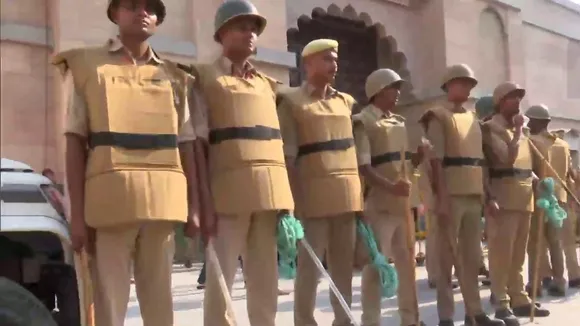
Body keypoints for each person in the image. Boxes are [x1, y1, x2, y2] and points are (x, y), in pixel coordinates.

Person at [52, 1, 201, 325]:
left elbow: (186, 143)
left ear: (159, 20)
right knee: (108, 305)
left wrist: (194, 206)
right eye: (131, 5)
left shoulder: (175, 77)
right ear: (115, 14)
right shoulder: (89, 66)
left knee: (160, 306)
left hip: (161, 204)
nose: (141, 12)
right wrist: (76, 216)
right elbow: (74, 143)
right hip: (110, 205)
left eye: (150, 7)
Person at [184, 1, 295, 325]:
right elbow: (197, 143)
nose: (249, 34)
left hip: (268, 198)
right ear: (221, 33)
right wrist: (202, 200)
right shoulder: (203, 78)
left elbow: (275, 144)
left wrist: (285, 202)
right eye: (241, 26)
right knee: (220, 286)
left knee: (265, 285)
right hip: (226, 197)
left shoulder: (267, 85)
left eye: (253, 28)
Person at [277, 38, 362, 326]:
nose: (334, 65)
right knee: (310, 270)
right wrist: (294, 203)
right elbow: (288, 157)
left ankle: (344, 320)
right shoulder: (292, 102)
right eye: (327, 59)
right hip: (312, 201)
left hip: (346, 199)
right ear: (308, 63)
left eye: (335, 59)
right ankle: (304, 321)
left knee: (343, 270)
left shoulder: (345, 102)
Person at [420, 64, 504, 326]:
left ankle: (474, 312)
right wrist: (442, 200)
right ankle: (446, 316)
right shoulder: (438, 116)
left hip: (473, 194)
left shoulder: (474, 121)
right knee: (446, 260)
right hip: (450, 196)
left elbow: (481, 163)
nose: (467, 88)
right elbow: (436, 161)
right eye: (462, 82)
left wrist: (489, 197)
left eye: (470, 83)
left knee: (471, 258)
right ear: (448, 85)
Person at [354, 68, 424, 326]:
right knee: (376, 266)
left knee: (408, 265)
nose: (397, 93)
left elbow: (403, 165)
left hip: (404, 204)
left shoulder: (399, 122)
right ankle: (370, 321)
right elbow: (364, 166)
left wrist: (417, 159)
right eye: (392, 87)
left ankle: (411, 319)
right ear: (378, 90)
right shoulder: (363, 121)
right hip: (379, 204)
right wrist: (389, 187)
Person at [481, 82, 550, 326]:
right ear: (500, 101)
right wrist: (520, 131)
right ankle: (501, 301)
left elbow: (525, 165)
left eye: (519, 98)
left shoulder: (524, 132)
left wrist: (538, 182)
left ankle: (519, 297)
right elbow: (507, 159)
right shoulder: (491, 129)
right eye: (512, 98)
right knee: (502, 253)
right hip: (503, 197)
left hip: (524, 198)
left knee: (519, 253)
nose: (517, 102)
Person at [525, 104, 569, 297]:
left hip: (539, 198)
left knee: (534, 243)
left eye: (530, 120)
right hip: (558, 197)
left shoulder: (531, 142)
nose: (528, 123)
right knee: (555, 243)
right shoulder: (563, 144)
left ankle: (535, 284)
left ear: (538, 122)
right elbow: (566, 174)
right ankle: (559, 281)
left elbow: (529, 171)